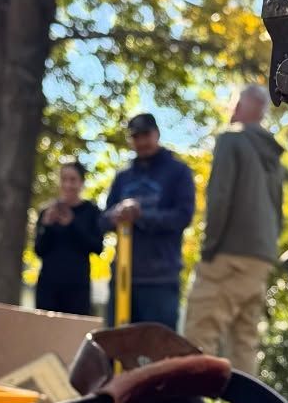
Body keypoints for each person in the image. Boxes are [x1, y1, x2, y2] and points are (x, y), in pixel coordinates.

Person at [183, 84, 284, 379]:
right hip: (260, 257)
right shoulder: (273, 156)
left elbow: (219, 197)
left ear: (238, 107)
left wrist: (209, 247)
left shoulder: (231, 140)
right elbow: (277, 210)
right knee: (244, 344)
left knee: (198, 337)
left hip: (229, 254)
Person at [104, 112, 195, 329]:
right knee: (115, 349)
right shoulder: (123, 177)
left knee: (158, 351)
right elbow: (103, 220)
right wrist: (116, 215)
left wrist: (141, 215)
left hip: (160, 280)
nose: (142, 142)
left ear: (157, 134)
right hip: (124, 278)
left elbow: (183, 216)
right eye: (136, 137)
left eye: (146, 135)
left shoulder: (178, 172)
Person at [32, 159, 104, 315]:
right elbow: (38, 249)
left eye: (73, 180)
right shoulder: (47, 211)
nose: (68, 185)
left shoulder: (91, 212)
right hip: (48, 287)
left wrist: (72, 224)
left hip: (77, 287)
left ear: (82, 183)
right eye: (64, 179)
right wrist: (47, 226)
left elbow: (97, 247)